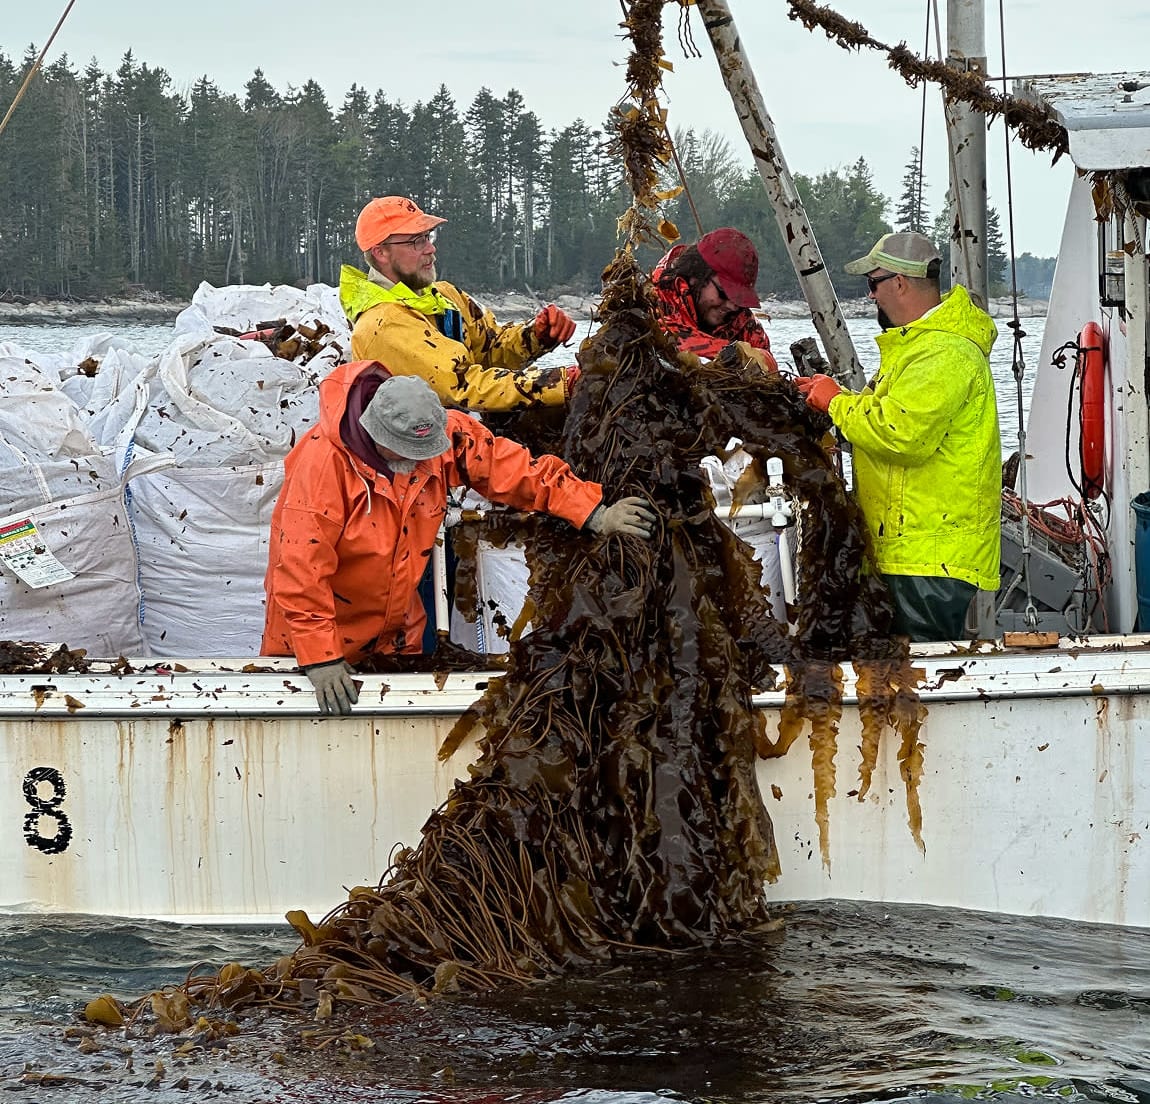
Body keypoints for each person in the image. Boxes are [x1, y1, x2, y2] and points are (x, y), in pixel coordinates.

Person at [262, 367, 656, 714]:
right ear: (374, 433)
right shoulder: (322, 469)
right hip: (315, 646)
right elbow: (298, 571)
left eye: (425, 452)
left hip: (396, 638)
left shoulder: (438, 435)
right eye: (408, 453)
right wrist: (320, 658)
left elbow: (511, 468)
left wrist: (593, 512)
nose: (419, 462)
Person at [795, 231, 1000, 642]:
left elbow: (901, 433)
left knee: (917, 678)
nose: (871, 296)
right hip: (912, 551)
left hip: (927, 556)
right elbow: (894, 416)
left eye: (873, 284)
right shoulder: (920, 348)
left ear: (900, 283)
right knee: (901, 674)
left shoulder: (942, 352)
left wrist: (835, 402)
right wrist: (837, 400)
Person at [339, 196, 578, 412]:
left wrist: (537, 335)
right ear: (381, 253)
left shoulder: (444, 295)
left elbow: (491, 349)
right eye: (416, 241)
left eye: (428, 237)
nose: (431, 249)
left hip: (462, 435)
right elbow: (464, 384)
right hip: (420, 452)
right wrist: (562, 383)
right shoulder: (382, 323)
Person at [651, 227, 778, 373]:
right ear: (696, 276)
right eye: (724, 293)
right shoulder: (654, 299)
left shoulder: (744, 324)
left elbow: (771, 369)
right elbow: (668, 338)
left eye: (738, 299)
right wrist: (737, 355)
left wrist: (761, 358)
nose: (732, 306)